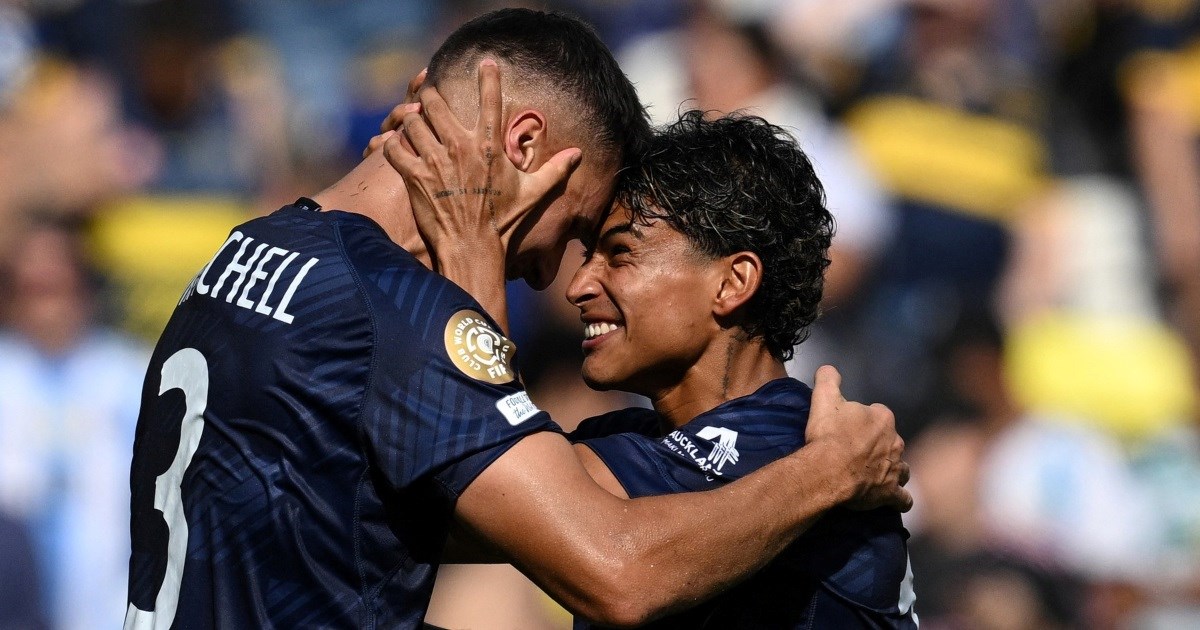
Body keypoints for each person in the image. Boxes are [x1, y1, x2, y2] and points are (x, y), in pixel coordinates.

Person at [126, 9, 909, 629]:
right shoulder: (395, 314)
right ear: (524, 142)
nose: (558, 277)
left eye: (615, 252)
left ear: (735, 283)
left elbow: (392, 524)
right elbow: (613, 565)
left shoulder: (245, 251)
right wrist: (834, 471)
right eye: (578, 230)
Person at [399, 108, 918, 628]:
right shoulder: (637, 440)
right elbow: (439, 517)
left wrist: (473, 251)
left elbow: (618, 569)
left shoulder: (790, 440)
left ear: (732, 283)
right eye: (587, 256)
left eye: (620, 253)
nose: (578, 286)